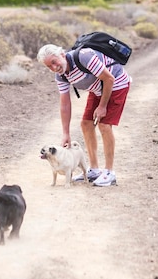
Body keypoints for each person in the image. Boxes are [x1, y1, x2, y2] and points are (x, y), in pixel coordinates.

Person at [37, 43, 131, 187]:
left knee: (104, 125)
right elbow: (65, 104)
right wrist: (66, 133)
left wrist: (102, 106)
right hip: (98, 88)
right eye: (49, 66)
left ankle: (109, 173)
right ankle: (93, 170)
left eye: (54, 62)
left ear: (62, 54)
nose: (54, 68)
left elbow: (109, 79)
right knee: (86, 124)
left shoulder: (84, 57)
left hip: (117, 83)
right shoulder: (61, 76)